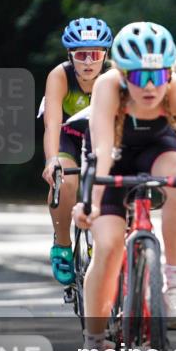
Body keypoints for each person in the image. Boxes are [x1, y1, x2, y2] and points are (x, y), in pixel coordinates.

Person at [71, 21, 176, 351]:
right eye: (138, 76)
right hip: (113, 156)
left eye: (159, 75)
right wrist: (87, 201)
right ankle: (93, 340)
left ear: (172, 70)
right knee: (107, 246)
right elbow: (101, 150)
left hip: (158, 150)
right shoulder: (107, 87)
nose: (150, 86)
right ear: (122, 74)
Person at [39, 18, 113, 285]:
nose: (88, 62)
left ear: (106, 54)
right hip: (67, 136)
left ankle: (103, 240)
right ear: (70, 55)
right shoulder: (60, 76)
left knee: (112, 182)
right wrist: (51, 161)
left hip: (102, 136)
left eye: (95, 54)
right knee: (66, 180)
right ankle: (62, 244)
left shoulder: (114, 75)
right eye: (81, 55)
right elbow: (51, 124)